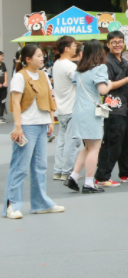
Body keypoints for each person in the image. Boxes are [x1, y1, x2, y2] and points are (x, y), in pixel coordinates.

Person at [3, 44, 64, 218]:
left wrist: (51, 119)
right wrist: (17, 126)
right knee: (20, 167)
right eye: (38, 55)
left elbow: (49, 97)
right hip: (26, 126)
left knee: (40, 166)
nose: (42, 57)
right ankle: (11, 205)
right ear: (27, 59)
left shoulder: (44, 75)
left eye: (42, 55)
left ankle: (40, 203)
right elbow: (15, 102)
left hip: (42, 124)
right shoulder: (20, 77)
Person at [95, 30, 128, 187]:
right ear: (108, 44)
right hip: (113, 108)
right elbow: (107, 86)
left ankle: (125, 173)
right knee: (112, 142)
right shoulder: (106, 63)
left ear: (124, 43)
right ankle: (102, 177)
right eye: (114, 42)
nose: (117, 45)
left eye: (120, 42)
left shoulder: (123, 61)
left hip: (125, 107)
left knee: (127, 143)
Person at [65, 40, 112, 194]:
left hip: (78, 110)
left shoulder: (79, 70)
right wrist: (110, 84)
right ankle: (89, 183)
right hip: (91, 111)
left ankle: (73, 176)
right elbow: (103, 90)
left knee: (87, 147)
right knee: (95, 148)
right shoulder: (100, 68)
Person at [52, 36, 81, 180]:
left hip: (61, 108)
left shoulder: (56, 64)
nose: (76, 48)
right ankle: (68, 172)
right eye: (74, 45)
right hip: (72, 108)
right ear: (66, 48)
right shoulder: (70, 66)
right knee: (72, 142)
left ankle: (58, 170)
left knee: (62, 142)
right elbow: (79, 83)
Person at [0, 49, 8, 122]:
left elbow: (5, 73)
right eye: (1, 56)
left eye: (3, 56)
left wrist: (5, 82)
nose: (2, 57)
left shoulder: (3, 64)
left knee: (3, 101)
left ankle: (1, 116)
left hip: (3, 86)